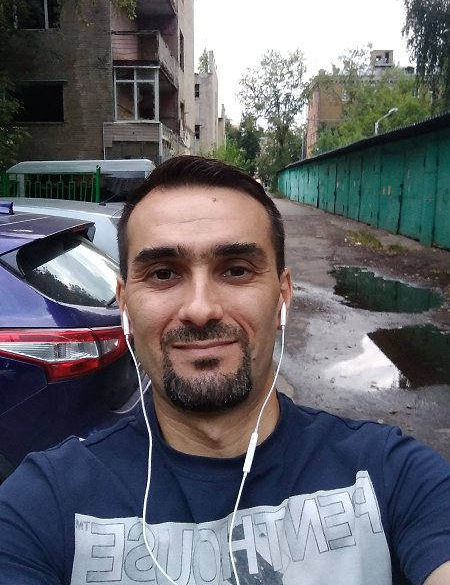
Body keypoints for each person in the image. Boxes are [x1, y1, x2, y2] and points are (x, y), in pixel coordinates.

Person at [0, 155, 449, 585]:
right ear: (125, 304)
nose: (200, 310)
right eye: (163, 274)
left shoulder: (392, 475)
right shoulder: (42, 505)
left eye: (235, 270)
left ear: (282, 296)